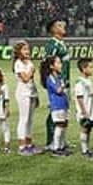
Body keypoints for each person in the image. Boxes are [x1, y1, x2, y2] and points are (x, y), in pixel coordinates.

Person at [42, 19, 70, 152]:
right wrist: (50, 84)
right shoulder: (52, 45)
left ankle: (61, 141)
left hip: (64, 82)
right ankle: (51, 141)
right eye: (59, 25)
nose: (63, 26)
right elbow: (47, 65)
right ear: (53, 30)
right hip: (57, 84)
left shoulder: (61, 43)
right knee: (54, 112)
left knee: (63, 112)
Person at [12, 40, 38, 155]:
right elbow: (25, 78)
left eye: (28, 49)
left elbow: (32, 81)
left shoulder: (29, 62)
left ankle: (29, 143)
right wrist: (32, 71)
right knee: (24, 119)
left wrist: (36, 95)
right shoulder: (18, 63)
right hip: (23, 93)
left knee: (30, 120)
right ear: (18, 52)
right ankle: (22, 146)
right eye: (24, 49)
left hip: (31, 92)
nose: (27, 51)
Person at [43, 55, 69, 156]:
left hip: (63, 104)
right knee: (59, 125)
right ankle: (56, 148)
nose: (60, 65)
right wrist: (64, 84)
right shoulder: (51, 78)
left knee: (64, 125)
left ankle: (62, 147)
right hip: (57, 105)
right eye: (58, 63)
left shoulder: (58, 76)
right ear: (51, 66)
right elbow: (58, 90)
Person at [74, 58, 93, 158]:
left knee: (89, 129)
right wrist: (84, 111)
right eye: (90, 67)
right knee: (84, 128)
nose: (92, 69)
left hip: (90, 109)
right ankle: (84, 151)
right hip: (85, 110)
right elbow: (79, 98)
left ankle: (87, 148)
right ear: (84, 69)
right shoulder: (80, 82)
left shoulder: (87, 80)